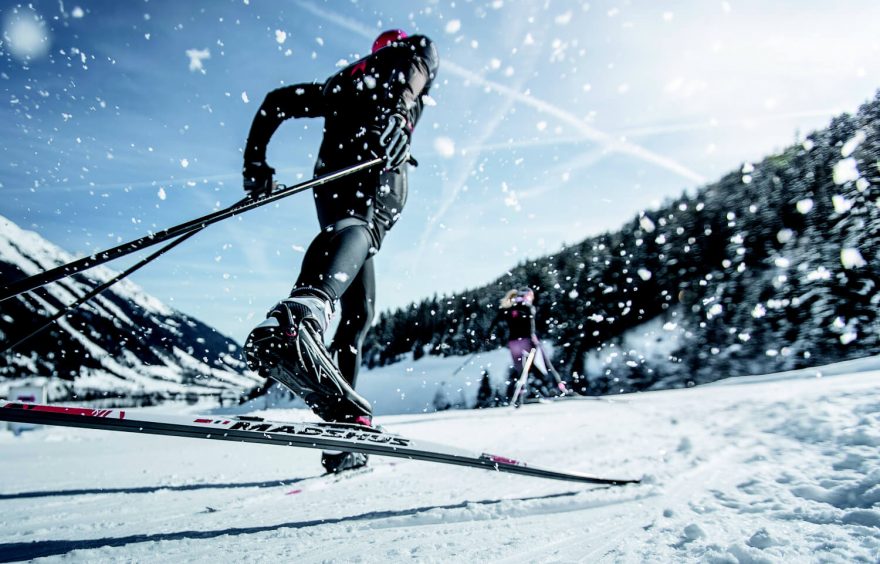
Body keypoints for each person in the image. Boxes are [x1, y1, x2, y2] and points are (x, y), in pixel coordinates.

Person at [241, 29, 439, 473]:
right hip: (376, 166)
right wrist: (398, 115)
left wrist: (255, 162)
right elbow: (414, 71)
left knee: (358, 313)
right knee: (362, 233)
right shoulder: (409, 58)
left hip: (332, 181)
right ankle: (301, 315)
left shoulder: (342, 83)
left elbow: (276, 102)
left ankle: (344, 429)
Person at [491, 288, 567, 403]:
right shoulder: (528, 307)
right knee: (545, 364)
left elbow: (496, 322)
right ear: (527, 296)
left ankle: (520, 394)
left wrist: (488, 337)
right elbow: (531, 326)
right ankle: (559, 388)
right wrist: (532, 341)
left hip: (513, 343)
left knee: (522, 372)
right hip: (527, 341)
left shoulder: (509, 308)